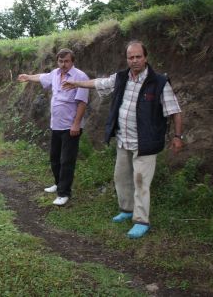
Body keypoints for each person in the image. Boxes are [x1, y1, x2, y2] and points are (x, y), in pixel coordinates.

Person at [62, 40, 183, 238]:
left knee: (141, 182)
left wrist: (178, 136)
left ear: (146, 58)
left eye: (138, 57)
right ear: (126, 59)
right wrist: (75, 83)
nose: (134, 60)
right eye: (131, 57)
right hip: (123, 139)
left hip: (146, 143)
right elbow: (98, 83)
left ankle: (141, 221)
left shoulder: (159, 82)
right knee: (122, 178)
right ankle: (126, 210)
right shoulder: (121, 78)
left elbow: (175, 112)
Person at [18, 48, 89, 206]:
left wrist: (76, 124)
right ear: (58, 61)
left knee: (67, 160)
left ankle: (64, 193)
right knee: (54, 158)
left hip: (71, 127)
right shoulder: (56, 74)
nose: (63, 64)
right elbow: (42, 77)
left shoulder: (80, 77)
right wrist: (28, 77)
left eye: (67, 61)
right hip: (56, 125)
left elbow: (83, 102)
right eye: (61, 61)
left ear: (72, 61)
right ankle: (58, 184)